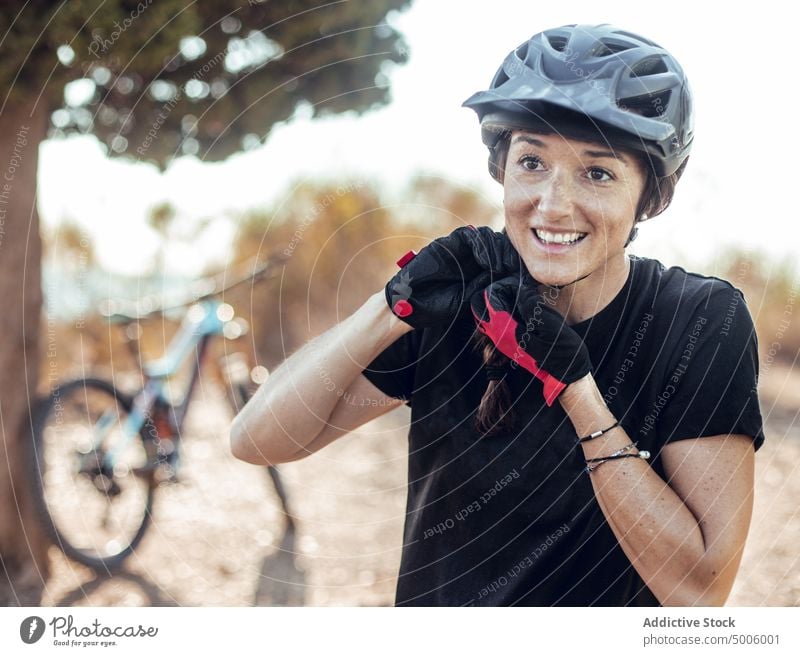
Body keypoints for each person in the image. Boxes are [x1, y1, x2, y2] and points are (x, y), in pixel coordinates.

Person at [230, 24, 764, 606]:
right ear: (502, 169)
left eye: (598, 172)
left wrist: (579, 394)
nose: (554, 204)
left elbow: (700, 590)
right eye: (532, 161)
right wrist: (389, 308)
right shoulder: (462, 297)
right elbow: (257, 440)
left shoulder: (698, 322)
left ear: (650, 195)